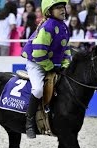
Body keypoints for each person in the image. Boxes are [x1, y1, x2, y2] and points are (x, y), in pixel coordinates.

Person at [21, 0, 71, 138]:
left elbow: (65, 49)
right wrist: (51, 67)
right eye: (58, 8)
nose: (63, 10)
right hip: (36, 63)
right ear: (49, 12)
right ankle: (29, 121)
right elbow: (38, 53)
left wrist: (66, 65)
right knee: (37, 89)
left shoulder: (64, 27)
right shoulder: (47, 26)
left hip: (52, 64)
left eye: (63, 7)